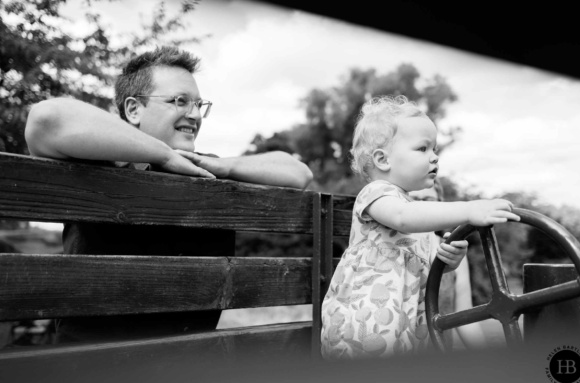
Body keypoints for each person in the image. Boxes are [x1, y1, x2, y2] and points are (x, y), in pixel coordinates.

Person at [24, 46, 313, 343]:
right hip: (94, 370)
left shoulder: (204, 168)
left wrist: (225, 165)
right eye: (180, 101)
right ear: (134, 109)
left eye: (199, 104)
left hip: (185, 368)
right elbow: (45, 119)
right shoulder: (100, 162)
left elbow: (298, 173)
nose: (195, 114)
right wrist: (164, 155)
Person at [320, 95, 519, 360]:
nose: (435, 157)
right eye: (423, 149)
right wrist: (470, 209)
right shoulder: (377, 195)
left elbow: (423, 267)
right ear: (383, 160)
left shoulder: (421, 221)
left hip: (405, 329)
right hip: (364, 326)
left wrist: (449, 262)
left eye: (434, 149)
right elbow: (404, 216)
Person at [410, 182, 487, 351]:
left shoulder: (453, 252)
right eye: (414, 199)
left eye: (429, 200)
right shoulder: (386, 248)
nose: (422, 205)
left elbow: (464, 318)